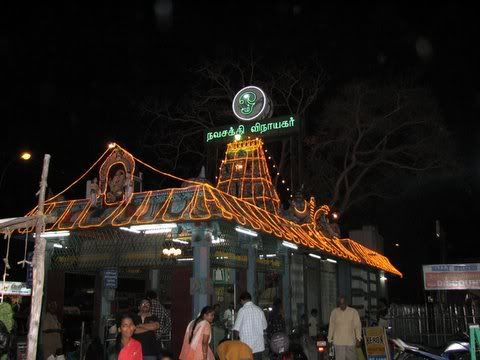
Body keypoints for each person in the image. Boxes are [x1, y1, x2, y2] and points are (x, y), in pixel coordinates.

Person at [233, 292, 267, 360]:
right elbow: (264, 326)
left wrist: (235, 341)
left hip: (246, 346)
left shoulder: (242, 310)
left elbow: (236, 329)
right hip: (258, 346)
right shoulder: (259, 310)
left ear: (242, 300)